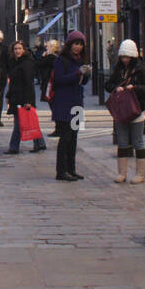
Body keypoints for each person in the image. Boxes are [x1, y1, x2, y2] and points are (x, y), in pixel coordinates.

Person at [106, 39, 145, 184]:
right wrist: (116, 88)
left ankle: (140, 174)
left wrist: (135, 88)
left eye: (127, 57)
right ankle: (122, 173)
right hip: (121, 110)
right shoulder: (119, 69)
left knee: (138, 141)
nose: (125, 60)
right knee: (122, 142)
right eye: (122, 57)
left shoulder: (141, 69)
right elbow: (108, 84)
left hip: (136, 109)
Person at [50, 32, 91, 181]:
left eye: (80, 44)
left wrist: (86, 75)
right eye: (75, 43)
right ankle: (61, 171)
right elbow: (59, 80)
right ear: (69, 45)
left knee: (74, 138)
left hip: (77, 103)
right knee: (65, 137)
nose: (78, 47)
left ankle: (71, 169)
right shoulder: (61, 60)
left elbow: (82, 82)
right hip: (64, 103)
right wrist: (78, 73)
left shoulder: (80, 60)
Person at [3, 40, 47, 154]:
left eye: (19, 48)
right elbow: (12, 81)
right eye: (15, 49)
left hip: (23, 97)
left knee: (19, 123)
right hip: (16, 96)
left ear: (24, 50)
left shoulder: (27, 63)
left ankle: (13, 147)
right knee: (29, 121)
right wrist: (8, 95)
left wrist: (29, 101)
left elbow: (29, 83)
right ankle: (40, 143)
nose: (17, 51)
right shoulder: (13, 62)